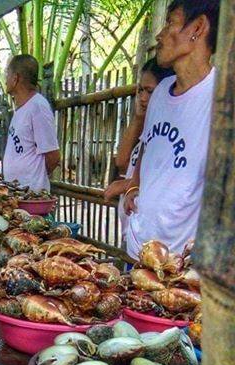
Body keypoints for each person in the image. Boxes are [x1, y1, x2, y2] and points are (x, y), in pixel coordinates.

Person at [123, 0, 220, 258]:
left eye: (170, 23)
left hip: (180, 263)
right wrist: (134, 186)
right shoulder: (160, 94)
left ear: (197, 28)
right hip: (139, 247)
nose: (160, 34)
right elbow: (148, 146)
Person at [104, 59, 174, 240]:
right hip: (133, 233)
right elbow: (121, 162)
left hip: (152, 238)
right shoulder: (146, 127)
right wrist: (138, 117)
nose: (142, 97)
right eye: (140, 90)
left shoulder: (168, 132)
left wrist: (125, 185)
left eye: (150, 91)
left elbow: (164, 177)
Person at [3, 54, 60, 193]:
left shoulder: (38, 106)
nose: (5, 79)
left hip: (32, 197)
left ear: (15, 78)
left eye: (7, 74)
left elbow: (53, 156)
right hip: (17, 193)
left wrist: (35, 177)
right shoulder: (22, 109)